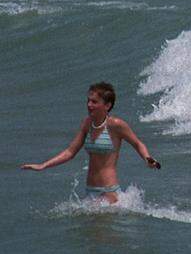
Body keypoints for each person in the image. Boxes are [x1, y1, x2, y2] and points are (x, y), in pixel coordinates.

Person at [21, 82, 160, 203]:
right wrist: (43, 165)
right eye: (88, 101)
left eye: (94, 102)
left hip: (108, 192)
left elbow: (137, 143)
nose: (89, 105)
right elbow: (70, 152)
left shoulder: (116, 125)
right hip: (90, 191)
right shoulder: (87, 124)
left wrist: (148, 158)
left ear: (107, 105)